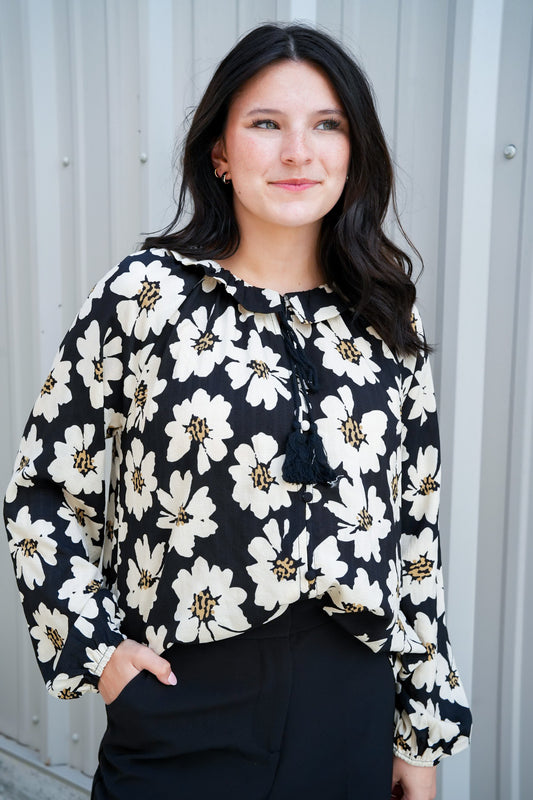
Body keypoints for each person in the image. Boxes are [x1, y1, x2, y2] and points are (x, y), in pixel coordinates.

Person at [3, 22, 471, 800]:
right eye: (265, 124)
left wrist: (416, 736)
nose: (298, 151)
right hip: (180, 705)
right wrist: (101, 654)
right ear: (219, 153)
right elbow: (42, 490)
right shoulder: (144, 294)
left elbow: (411, 537)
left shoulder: (387, 318)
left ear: (353, 152)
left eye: (327, 125)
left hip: (348, 705)